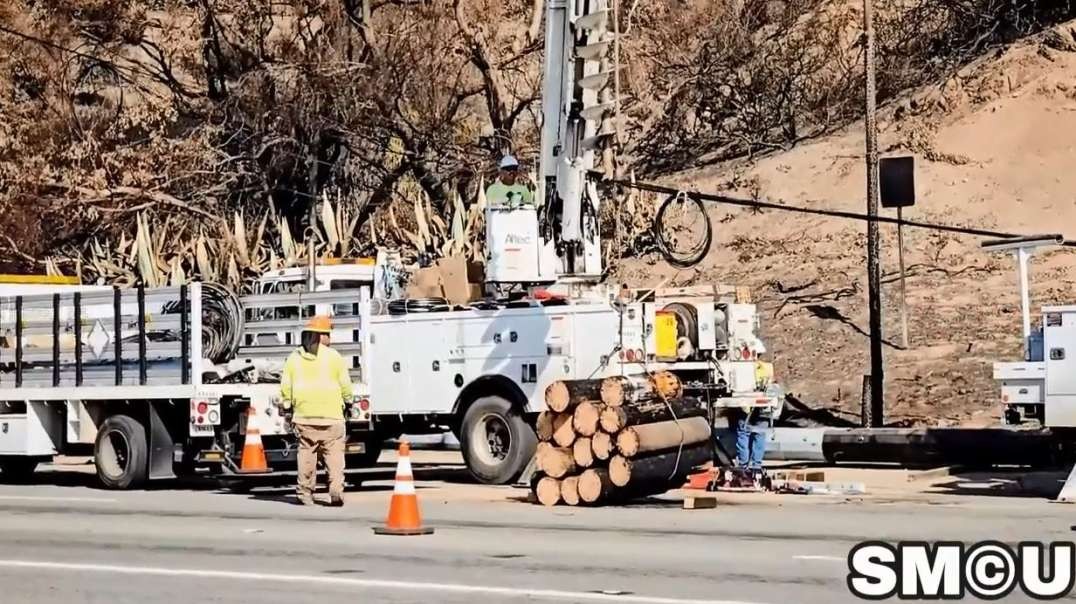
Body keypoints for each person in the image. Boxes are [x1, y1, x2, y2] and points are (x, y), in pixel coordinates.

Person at [278, 315, 353, 506]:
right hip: (332, 418)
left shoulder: (294, 358)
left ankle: (305, 494)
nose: (330, 338)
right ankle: (336, 489)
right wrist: (349, 401)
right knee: (335, 457)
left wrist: (287, 406)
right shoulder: (334, 357)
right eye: (328, 334)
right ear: (321, 336)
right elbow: (345, 385)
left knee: (306, 456)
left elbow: (286, 386)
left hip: (304, 417)